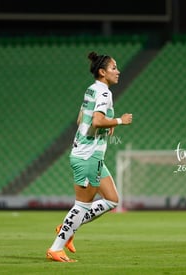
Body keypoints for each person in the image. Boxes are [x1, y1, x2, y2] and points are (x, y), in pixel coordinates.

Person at [46, 52, 133, 262]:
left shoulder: (91, 90)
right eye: (114, 68)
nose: (118, 71)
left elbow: (81, 120)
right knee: (82, 206)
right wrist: (119, 121)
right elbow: (96, 122)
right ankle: (56, 247)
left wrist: (106, 124)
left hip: (89, 155)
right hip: (87, 157)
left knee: (112, 200)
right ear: (102, 72)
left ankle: (68, 225)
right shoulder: (104, 93)